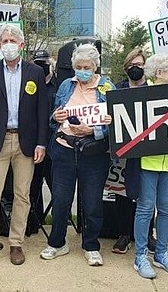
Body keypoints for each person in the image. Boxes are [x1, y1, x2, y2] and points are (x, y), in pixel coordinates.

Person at [0, 24, 48, 271]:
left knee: (22, 195)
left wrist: (41, 142)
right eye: (4, 40)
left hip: (26, 142)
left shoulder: (35, 72)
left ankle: (17, 243)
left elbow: (41, 110)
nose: (8, 44)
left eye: (12, 40)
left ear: (22, 45)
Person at [39, 44, 114, 265]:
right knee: (61, 200)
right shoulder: (65, 85)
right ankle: (57, 243)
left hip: (93, 152)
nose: (82, 71)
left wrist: (94, 130)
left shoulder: (107, 88)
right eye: (78, 67)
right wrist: (56, 116)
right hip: (64, 149)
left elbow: (115, 122)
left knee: (92, 202)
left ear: (95, 66)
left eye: (87, 67)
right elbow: (54, 118)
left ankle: (91, 245)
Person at [132, 53, 168, 280]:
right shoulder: (141, 94)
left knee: (166, 210)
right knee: (145, 209)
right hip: (147, 163)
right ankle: (140, 256)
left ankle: (162, 253)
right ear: (159, 73)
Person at [110, 48, 157, 254]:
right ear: (126, 67)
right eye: (132, 65)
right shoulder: (117, 89)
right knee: (122, 193)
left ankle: (147, 235)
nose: (136, 68)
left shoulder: (154, 88)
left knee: (147, 195)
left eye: (140, 65)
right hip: (124, 151)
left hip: (147, 149)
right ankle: (123, 235)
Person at [26, 50, 57, 234]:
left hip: (54, 144)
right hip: (34, 144)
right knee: (32, 187)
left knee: (57, 188)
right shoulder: (29, 84)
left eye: (44, 63)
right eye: (38, 63)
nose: (41, 66)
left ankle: (58, 224)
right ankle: (34, 222)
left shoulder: (59, 85)